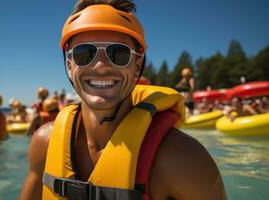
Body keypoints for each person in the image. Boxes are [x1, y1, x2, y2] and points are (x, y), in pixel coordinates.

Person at [21, 1, 226, 199]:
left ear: (137, 65)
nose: (101, 65)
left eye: (118, 53)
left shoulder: (184, 161)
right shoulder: (44, 144)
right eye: (85, 54)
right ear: (69, 64)